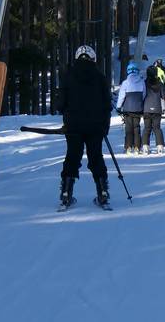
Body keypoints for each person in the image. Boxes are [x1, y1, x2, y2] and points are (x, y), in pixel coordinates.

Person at [55, 44, 112, 208]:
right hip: (96, 126)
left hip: (73, 125)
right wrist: (104, 127)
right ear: (93, 59)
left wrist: (68, 111)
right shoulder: (100, 77)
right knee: (96, 157)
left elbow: (60, 104)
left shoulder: (68, 76)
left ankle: (66, 192)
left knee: (72, 156)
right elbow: (107, 105)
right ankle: (102, 192)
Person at [116, 61, 146, 155]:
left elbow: (121, 96)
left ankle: (128, 147)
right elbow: (144, 95)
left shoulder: (125, 83)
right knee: (136, 127)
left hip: (127, 109)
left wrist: (118, 107)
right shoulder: (142, 82)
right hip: (138, 108)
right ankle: (137, 147)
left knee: (128, 128)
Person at [142, 65, 165, 154]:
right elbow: (164, 96)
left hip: (146, 109)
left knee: (147, 128)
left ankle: (145, 147)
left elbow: (142, 95)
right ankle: (160, 147)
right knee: (157, 128)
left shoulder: (144, 83)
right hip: (157, 109)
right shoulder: (160, 84)